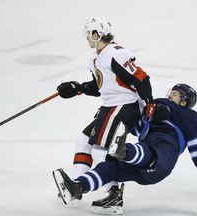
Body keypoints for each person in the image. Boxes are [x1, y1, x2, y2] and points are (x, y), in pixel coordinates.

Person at [53, 83, 197, 214]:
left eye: (176, 94)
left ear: (185, 102)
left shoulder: (190, 116)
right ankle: (78, 188)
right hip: (147, 168)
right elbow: (137, 122)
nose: (170, 94)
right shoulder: (153, 107)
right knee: (110, 167)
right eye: (171, 91)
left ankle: (123, 151)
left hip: (164, 154)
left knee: (144, 152)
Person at [56, 16, 163, 210]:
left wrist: (149, 104)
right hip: (111, 106)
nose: (87, 38)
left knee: (100, 148)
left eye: (89, 34)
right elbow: (100, 87)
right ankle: (74, 189)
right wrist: (78, 87)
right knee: (83, 140)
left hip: (125, 106)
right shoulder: (96, 56)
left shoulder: (115, 54)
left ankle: (113, 195)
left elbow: (141, 79)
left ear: (97, 35)